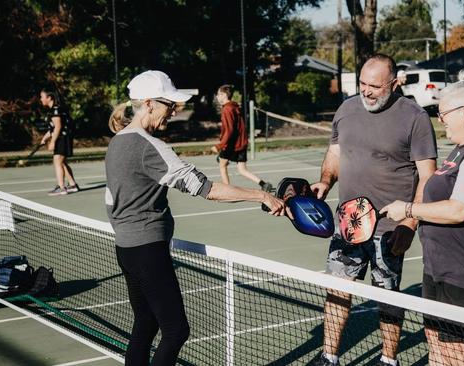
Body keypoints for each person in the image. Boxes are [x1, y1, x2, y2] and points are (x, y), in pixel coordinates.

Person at [105, 70, 286, 365]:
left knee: (145, 324)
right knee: (176, 331)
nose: (174, 111)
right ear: (149, 103)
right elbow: (209, 189)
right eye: (170, 105)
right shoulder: (150, 147)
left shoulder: (117, 142)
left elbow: (110, 201)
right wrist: (262, 195)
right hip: (148, 250)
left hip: (125, 249)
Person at [311, 54, 438, 366]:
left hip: (390, 228)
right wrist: (324, 182)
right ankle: (329, 357)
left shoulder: (415, 117)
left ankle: (388, 359)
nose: (365, 91)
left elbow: (428, 177)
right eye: (362, 84)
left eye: (374, 86)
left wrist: (410, 223)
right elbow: (335, 153)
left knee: (388, 297)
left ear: (394, 84)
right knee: (338, 288)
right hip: (348, 223)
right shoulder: (346, 109)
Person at [380, 71, 464, 366]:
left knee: (456, 352)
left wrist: (409, 210)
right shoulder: (460, 150)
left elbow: (459, 210)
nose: (440, 120)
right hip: (440, 265)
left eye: (443, 114)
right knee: (437, 346)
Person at [212, 84, 272, 192]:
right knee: (242, 169)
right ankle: (263, 184)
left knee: (222, 164)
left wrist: (219, 146)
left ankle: (227, 189)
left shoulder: (227, 109)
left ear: (224, 95)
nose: (217, 96)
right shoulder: (235, 107)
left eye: (218, 94)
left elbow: (229, 131)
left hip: (232, 145)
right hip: (242, 144)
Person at [39, 87, 79, 196]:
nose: (41, 99)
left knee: (57, 160)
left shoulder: (56, 109)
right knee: (61, 162)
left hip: (62, 138)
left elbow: (58, 127)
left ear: (49, 98)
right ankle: (73, 185)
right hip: (62, 137)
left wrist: (52, 142)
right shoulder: (55, 109)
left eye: (42, 97)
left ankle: (61, 188)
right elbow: (53, 128)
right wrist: (44, 138)